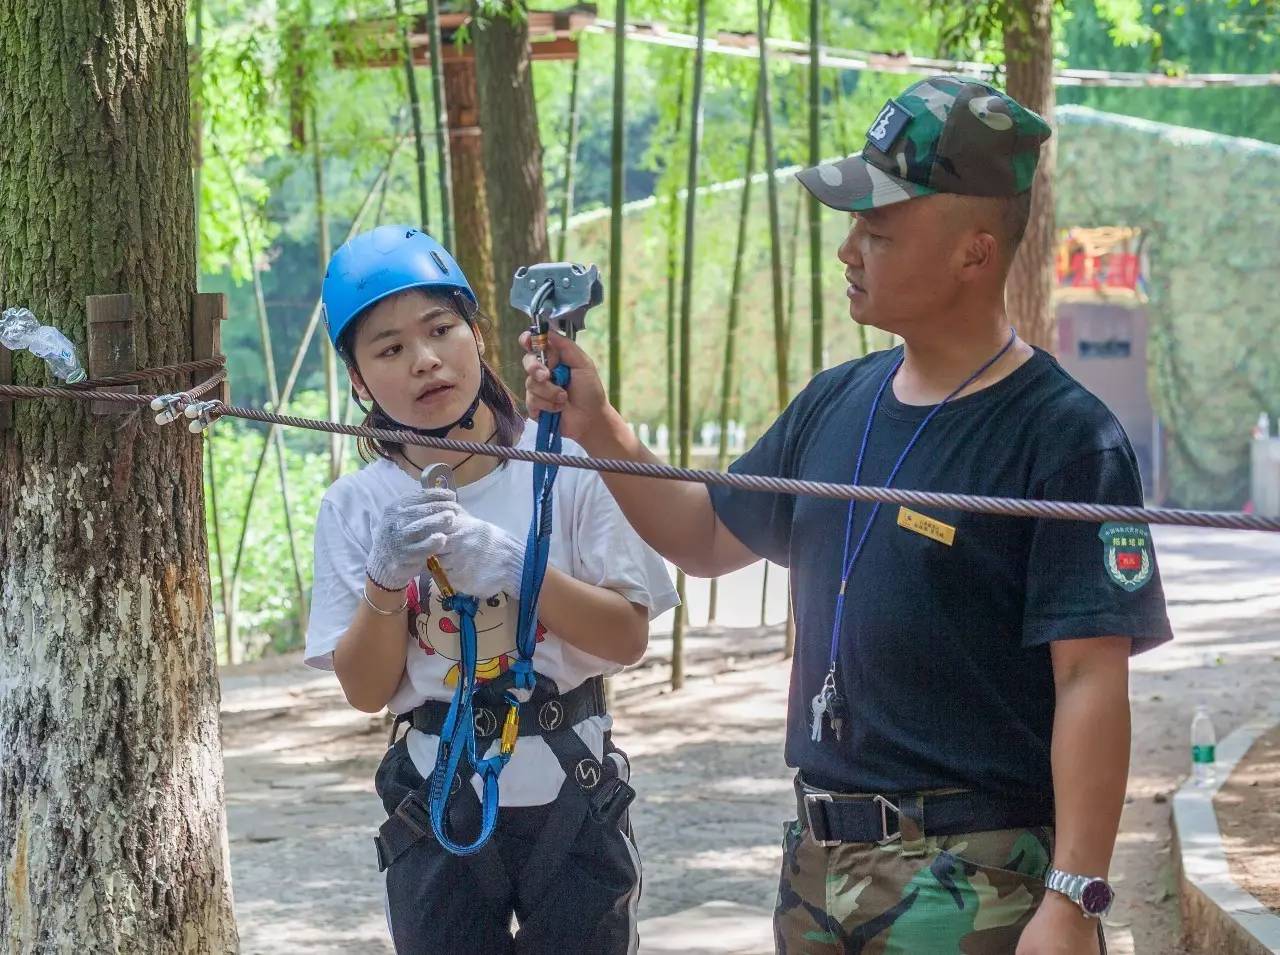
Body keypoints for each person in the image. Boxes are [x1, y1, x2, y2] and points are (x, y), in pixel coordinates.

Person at [524, 76, 1172, 954]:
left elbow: (1091, 680)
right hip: (818, 866)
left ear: (974, 253)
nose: (848, 251)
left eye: (879, 230)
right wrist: (596, 423)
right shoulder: (838, 400)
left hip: (975, 877)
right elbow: (706, 536)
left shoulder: (1063, 437)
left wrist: (1071, 896)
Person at [304, 225, 677, 955]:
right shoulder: (355, 507)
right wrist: (386, 580)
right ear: (357, 379)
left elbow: (626, 638)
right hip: (435, 793)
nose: (425, 360)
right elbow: (366, 688)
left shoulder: (566, 469)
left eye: (441, 329)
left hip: (572, 780)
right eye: (389, 348)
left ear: (477, 334)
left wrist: (515, 568)